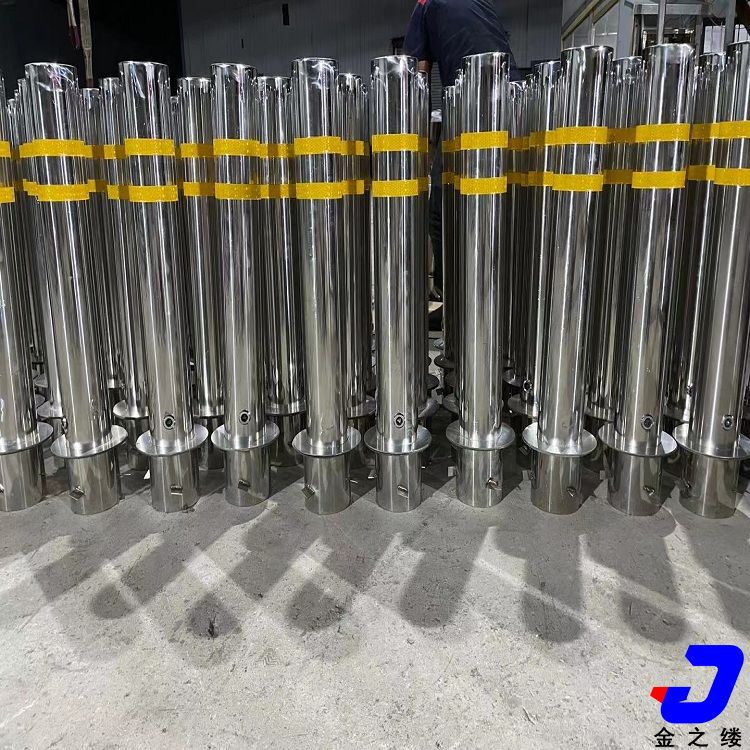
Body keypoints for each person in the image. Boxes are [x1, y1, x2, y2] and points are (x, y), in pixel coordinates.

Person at [403, 0, 518, 302]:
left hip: (471, 104)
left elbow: (417, 76)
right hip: (513, 101)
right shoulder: (480, 3)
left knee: (441, 208)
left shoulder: (425, 5)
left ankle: (451, 297)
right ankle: (502, 298)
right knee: (504, 204)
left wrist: (417, 147)